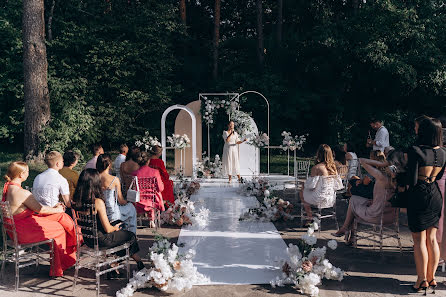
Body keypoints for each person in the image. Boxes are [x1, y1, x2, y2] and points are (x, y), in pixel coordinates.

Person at [2, 161, 77, 277]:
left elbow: (38, 208)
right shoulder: (22, 192)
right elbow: (40, 209)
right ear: (21, 174)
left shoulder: (8, 188)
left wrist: (55, 209)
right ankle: (60, 265)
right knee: (59, 228)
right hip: (23, 231)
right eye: (27, 172)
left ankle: (69, 250)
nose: (28, 173)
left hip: (16, 228)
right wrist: (58, 209)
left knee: (59, 217)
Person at [403, 117, 446, 293]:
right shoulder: (443, 152)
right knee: (431, 239)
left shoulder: (415, 150)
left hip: (419, 193)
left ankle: (421, 280)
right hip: (435, 194)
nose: (415, 128)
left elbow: (411, 180)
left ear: (424, 131)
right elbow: (441, 173)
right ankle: (432, 277)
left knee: (419, 240)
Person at [72, 168, 145, 272]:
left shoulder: (76, 201)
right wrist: (114, 228)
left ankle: (135, 262)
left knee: (119, 226)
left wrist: (114, 226)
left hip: (88, 239)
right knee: (130, 236)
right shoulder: (97, 202)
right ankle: (119, 263)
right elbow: (108, 229)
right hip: (101, 239)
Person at [333, 157, 396, 242]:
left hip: (376, 216)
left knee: (353, 201)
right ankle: (350, 235)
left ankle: (347, 230)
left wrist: (382, 164)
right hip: (390, 217)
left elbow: (362, 160)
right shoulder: (400, 181)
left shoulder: (381, 177)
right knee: (358, 204)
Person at [299, 144, 343, 221]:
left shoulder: (317, 167)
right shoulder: (333, 168)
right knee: (306, 190)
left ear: (318, 154)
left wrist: (303, 185)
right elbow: (338, 186)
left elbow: (310, 186)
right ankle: (311, 219)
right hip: (331, 198)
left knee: (302, 191)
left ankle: (310, 218)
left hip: (318, 198)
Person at [97, 154, 137, 234]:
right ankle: (132, 234)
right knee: (131, 208)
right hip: (112, 213)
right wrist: (128, 201)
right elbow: (121, 200)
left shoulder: (94, 177)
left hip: (100, 212)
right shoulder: (114, 179)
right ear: (109, 165)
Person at [132, 151, 164, 228]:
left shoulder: (134, 173)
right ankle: (151, 220)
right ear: (148, 161)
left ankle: (140, 218)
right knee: (155, 194)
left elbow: (134, 189)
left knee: (147, 196)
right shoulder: (155, 172)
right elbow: (160, 188)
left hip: (139, 201)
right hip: (152, 201)